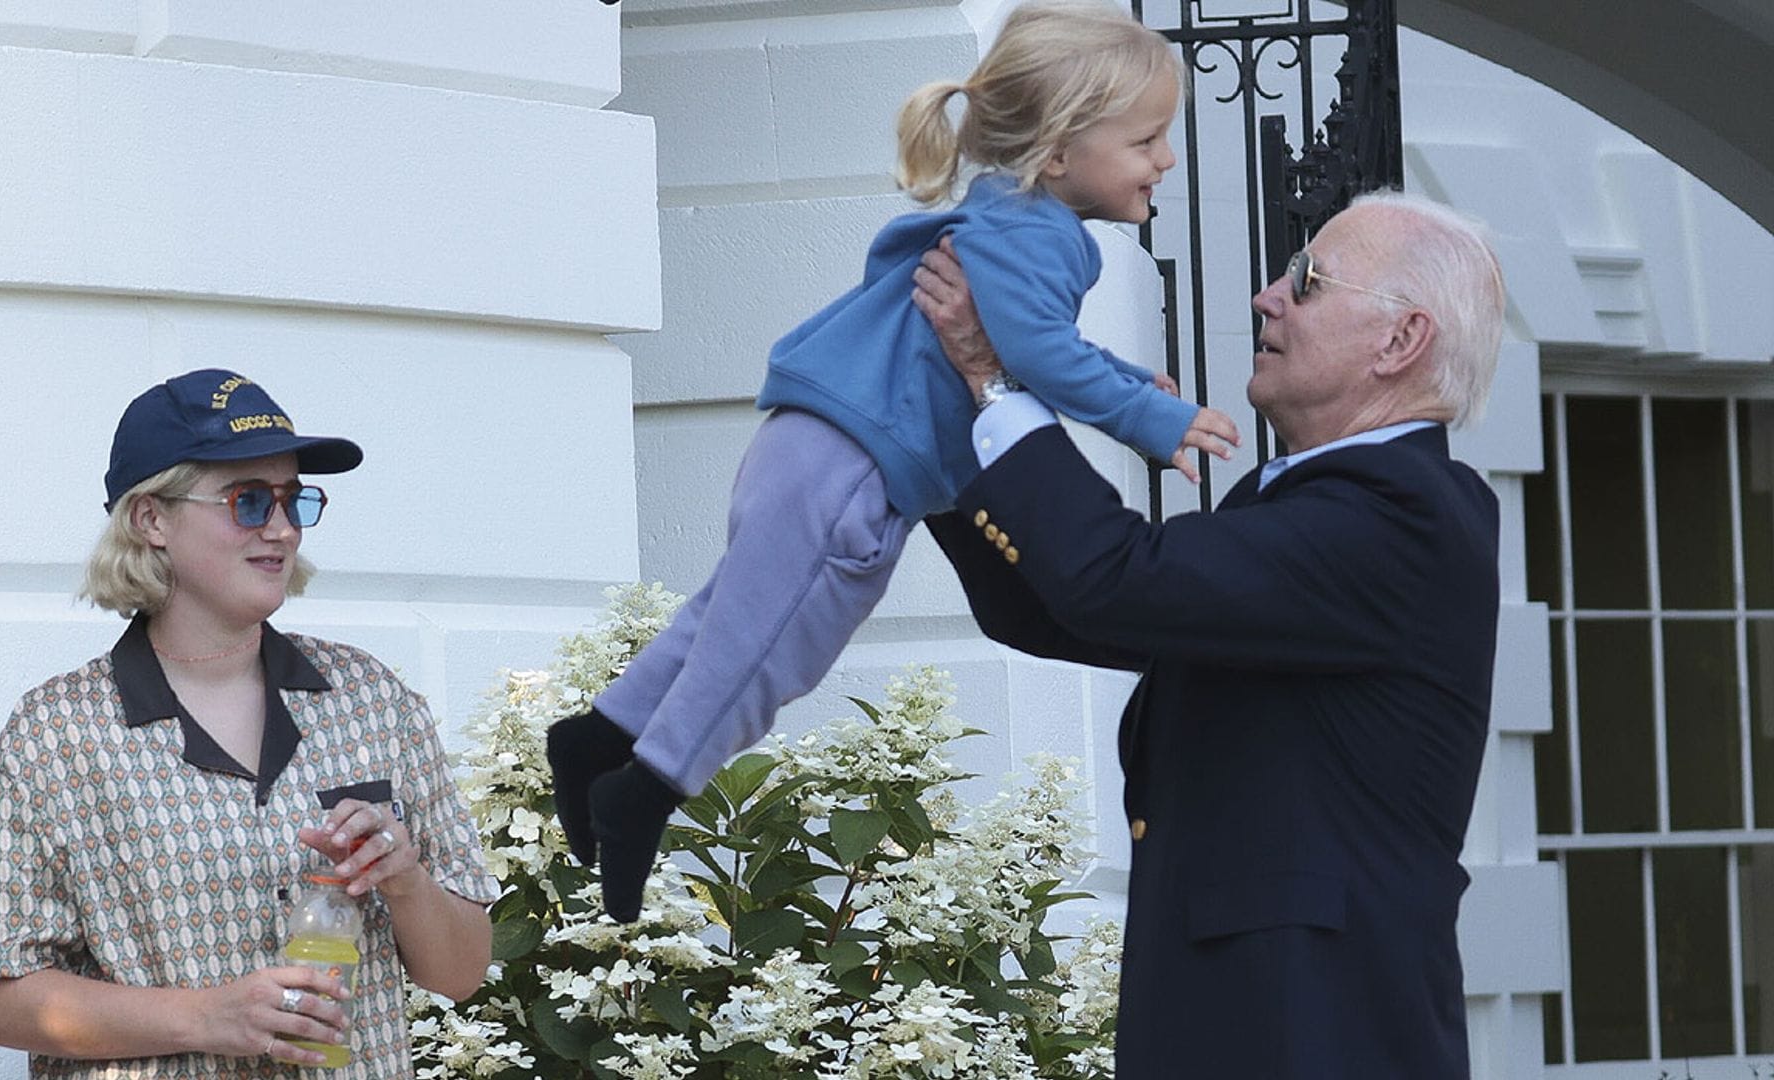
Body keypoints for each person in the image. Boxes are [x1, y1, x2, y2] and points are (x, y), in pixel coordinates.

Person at [546, 0, 1241, 923]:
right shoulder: (1042, 237)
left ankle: (600, 735)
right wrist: (1150, 416)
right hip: (849, 467)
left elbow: (1026, 339)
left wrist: (1123, 379)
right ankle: (646, 791)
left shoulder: (1006, 217)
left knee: (727, 619)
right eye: (1149, 139)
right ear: (1062, 149)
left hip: (816, 444)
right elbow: (1035, 353)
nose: (1166, 159)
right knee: (768, 651)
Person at [911, 190, 1507, 1079]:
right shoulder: (1313, 500)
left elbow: (1111, 579)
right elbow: (1048, 607)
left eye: (1307, 280)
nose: (1268, 295)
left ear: (1399, 341)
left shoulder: (1401, 515)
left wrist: (997, 383)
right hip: (1250, 1023)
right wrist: (934, 428)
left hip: (1316, 1034)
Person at [0, 370, 498, 1078]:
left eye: (296, 501)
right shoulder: (57, 737)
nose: (283, 529)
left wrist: (406, 878)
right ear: (151, 519)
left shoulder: (373, 701)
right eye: (249, 501)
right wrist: (210, 1016)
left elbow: (463, 972)